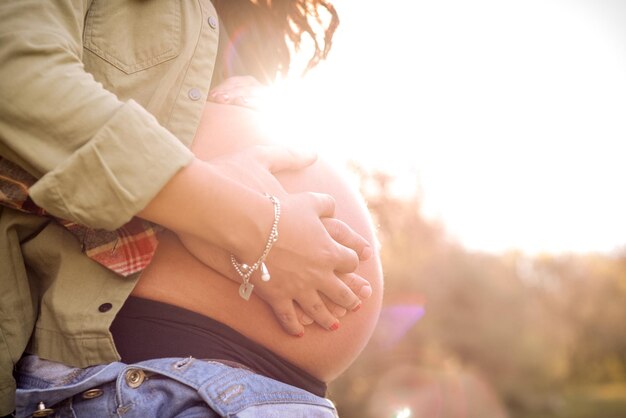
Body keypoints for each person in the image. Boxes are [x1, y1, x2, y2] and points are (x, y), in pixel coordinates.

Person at [0, 0, 379, 416]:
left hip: (284, 398)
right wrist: (249, 224)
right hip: (139, 383)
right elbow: (16, 77)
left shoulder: (236, 21)